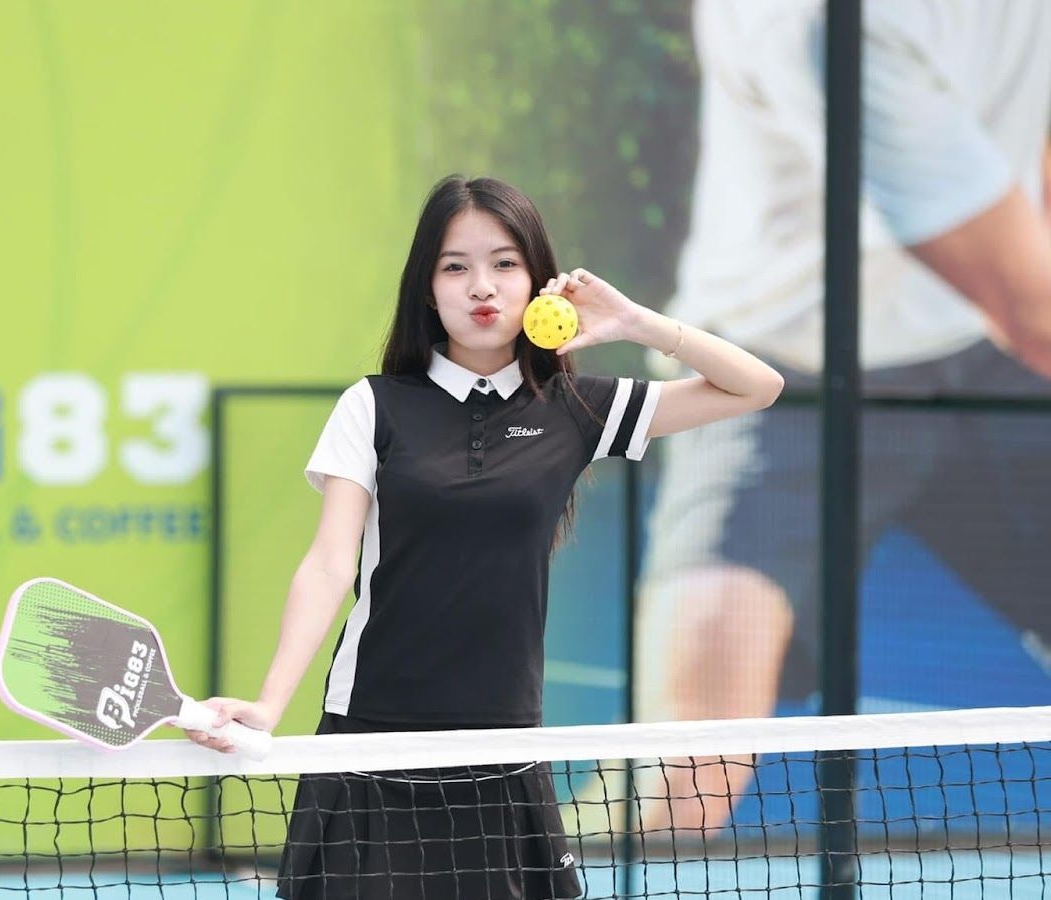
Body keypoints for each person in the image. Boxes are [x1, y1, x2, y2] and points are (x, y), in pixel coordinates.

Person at [187, 175, 783, 900]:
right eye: (455, 266)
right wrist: (269, 703)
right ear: (427, 288)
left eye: (505, 264)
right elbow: (328, 563)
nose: (482, 286)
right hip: (372, 730)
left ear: (538, 283)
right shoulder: (374, 405)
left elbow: (757, 386)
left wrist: (634, 323)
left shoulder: (575, 409)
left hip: (504, 740)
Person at [637, 0, 1051, 833]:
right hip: (778, 374)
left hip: (980, 356)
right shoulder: (819, 24)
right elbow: (1028, 306)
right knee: (688, 779)